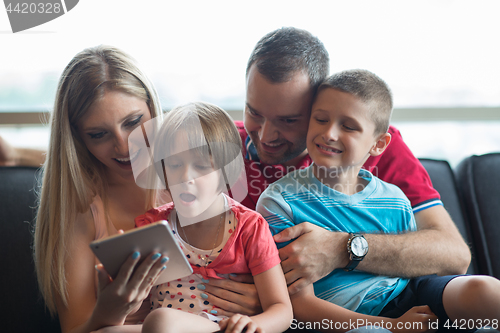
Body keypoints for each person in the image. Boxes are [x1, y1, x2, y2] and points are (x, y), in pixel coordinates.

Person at [198, 27, 470, 316]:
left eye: (288, 120)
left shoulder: (375, 148)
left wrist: (343, 248)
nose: (265, 135)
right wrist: (274, 298)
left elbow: (453, 254)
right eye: (254, 112)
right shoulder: (218, 150)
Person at [256, 69, 500, 332]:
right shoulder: (279, 202)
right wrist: (393, 326)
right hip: (345, 316)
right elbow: (298, 307)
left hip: (407, 294)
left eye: (348, 126)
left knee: (483, 290)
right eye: (320, 120)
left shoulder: (394, 198)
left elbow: (416, 272)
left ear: (379, 145)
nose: (330, 133)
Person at [34, 45, 170, 333]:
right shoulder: (81, 210)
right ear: (78, 138)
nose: (124, 146)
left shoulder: (192, 172)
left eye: (133, 122)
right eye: (99, 134)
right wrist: (110, 313)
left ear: (152, 109)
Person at [129, 102, 292, 333]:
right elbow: (139, 312)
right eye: (175, 165)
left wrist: (253, 324)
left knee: (161, 321)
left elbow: (281, 309)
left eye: (201, 166)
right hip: (160, 328)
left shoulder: (249, 227)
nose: (186, 177)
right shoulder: (152, 226)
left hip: (220, 329)